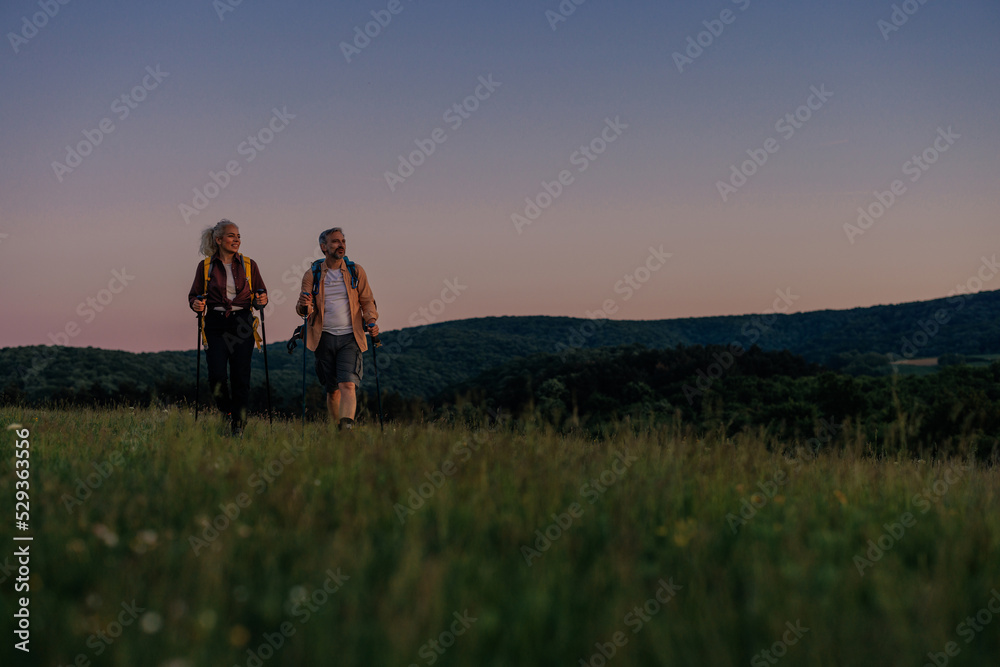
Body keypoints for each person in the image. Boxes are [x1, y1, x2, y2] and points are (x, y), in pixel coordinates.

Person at [188, 219, 268, 436]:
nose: (237, 240)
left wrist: (261, 299)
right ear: (218, 239)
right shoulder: (205, 266)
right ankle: (227, 412)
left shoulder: (249, 264)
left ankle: (238, 425)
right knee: (216, 376)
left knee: (241, 376)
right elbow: (194, 295)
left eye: (238, 236)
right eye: (231, 236)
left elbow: (260, 294)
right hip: (215, 323)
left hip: (242, 322)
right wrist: (196, 303)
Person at [296, 227, 379, 431]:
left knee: (348, 385)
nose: (340, 245)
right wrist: (304, 305)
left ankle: (346, 431)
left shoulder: (355, 271)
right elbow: (303, 309)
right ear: (323, 247)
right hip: (322, 337)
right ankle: (336, 431)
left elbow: (367, 301)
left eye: (342, 241)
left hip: (351, 337)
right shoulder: (312, 274)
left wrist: (371, 321)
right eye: (335, 241)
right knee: (332, 390)